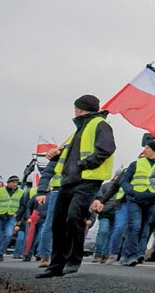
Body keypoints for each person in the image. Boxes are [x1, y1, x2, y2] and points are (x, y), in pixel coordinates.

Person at [37, 95, 115, 278]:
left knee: (74, 217)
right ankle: (56, 265)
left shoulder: (100, 124)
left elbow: (106, 149)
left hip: (87, 180)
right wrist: (55, 155)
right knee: (58, 223)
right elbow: (66, 156)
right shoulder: (78, 131)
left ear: (79, 109)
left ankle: (73, 260)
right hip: (67, 181)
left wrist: (82, 165)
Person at [115, 142, 155, 266]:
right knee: (135, 226)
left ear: (154, 150)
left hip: (152, 199)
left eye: (147, 147)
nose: (144, 149)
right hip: (135, 199)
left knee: (145, 228)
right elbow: (124, 180)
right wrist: (131, 191)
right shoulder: (136, 164)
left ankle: (139, 253)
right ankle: (128, 256)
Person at [0, 175, 23, 261]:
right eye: (13, 182)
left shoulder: (21, 192)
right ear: (8, 182)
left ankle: (0, 253)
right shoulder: (0, 191)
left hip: (11, 216)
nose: (15, 184)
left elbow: (22, 205)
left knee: (8, 235)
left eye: (16, 182)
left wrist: (18, 213)